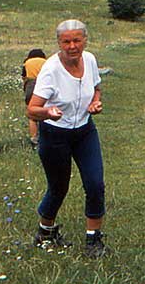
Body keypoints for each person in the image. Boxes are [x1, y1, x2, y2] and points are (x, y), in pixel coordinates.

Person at [26, 19, 107, 258]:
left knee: (95, 183)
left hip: (84, 131)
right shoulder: (51, 70)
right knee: (59, 187)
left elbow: (97, 88)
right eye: (66, 41)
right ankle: (45, 232)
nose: (72, 46)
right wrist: (47, 112)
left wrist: (95, 102)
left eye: (77, 40)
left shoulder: (90, 60)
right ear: (59, 43)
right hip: (55, 134)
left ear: (85, 40)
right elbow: (32, 109)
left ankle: (94, 241)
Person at [21, 48, 47, 148]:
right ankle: (45, 136)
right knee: (45, 113)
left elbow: (24, 77)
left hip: (30, 86)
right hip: (43, 86)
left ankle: (34, 138)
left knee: (32, 115)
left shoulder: (26, 63)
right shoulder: (46, 62)